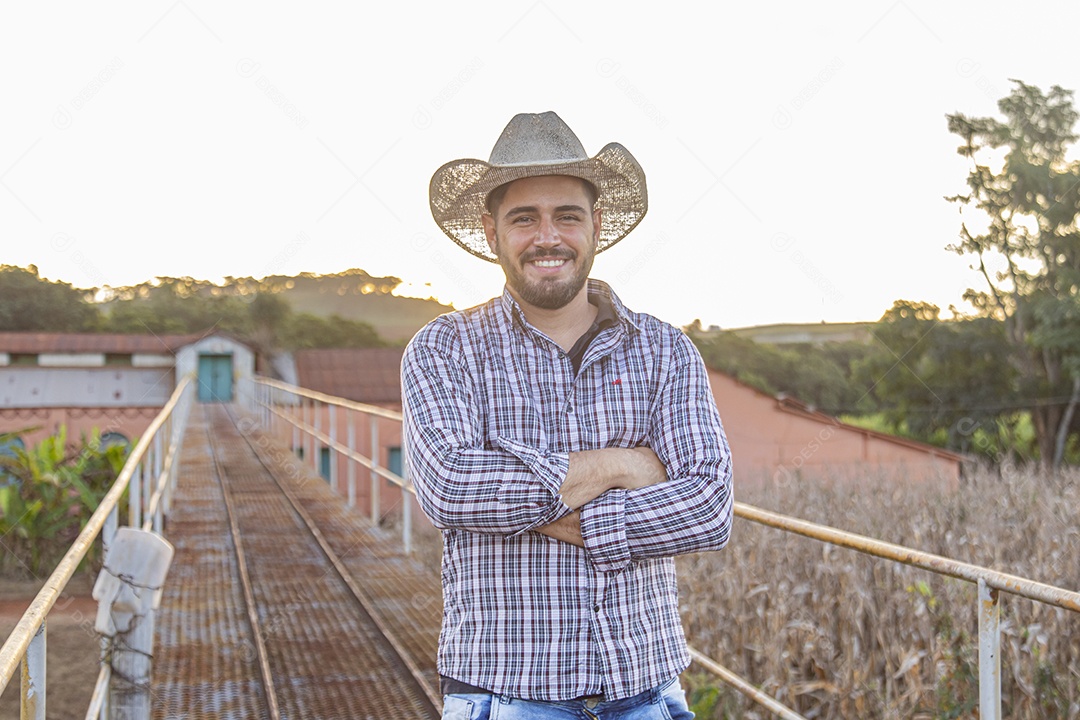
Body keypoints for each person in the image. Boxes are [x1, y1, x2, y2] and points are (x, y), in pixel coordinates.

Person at [402, 111, 733, 719]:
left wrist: (547, 509)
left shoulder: (665, 350)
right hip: (504, 697)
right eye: (524, 218)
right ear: (492, 231)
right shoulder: (444, 348)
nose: (547, 237)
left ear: (596, 225)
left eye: (568, 216)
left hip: (648, 694)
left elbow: (710, 508)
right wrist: (625, 465)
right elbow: (452, 488)